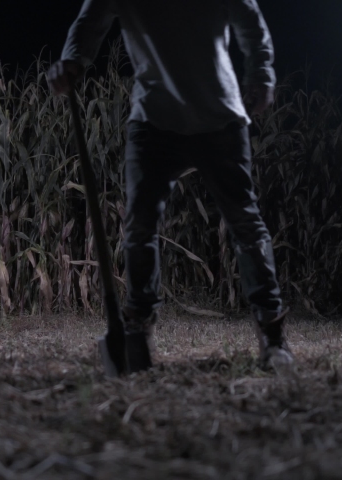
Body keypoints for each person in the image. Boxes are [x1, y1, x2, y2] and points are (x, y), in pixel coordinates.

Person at [48, 0, 293, 372]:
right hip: (154, 122)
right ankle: (137, 334)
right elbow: (89, 22)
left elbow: (249, 19)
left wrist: (261, 73)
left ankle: (273, 337)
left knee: (244, 221)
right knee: (140, 226)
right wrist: (73, 61)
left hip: (220, 118)